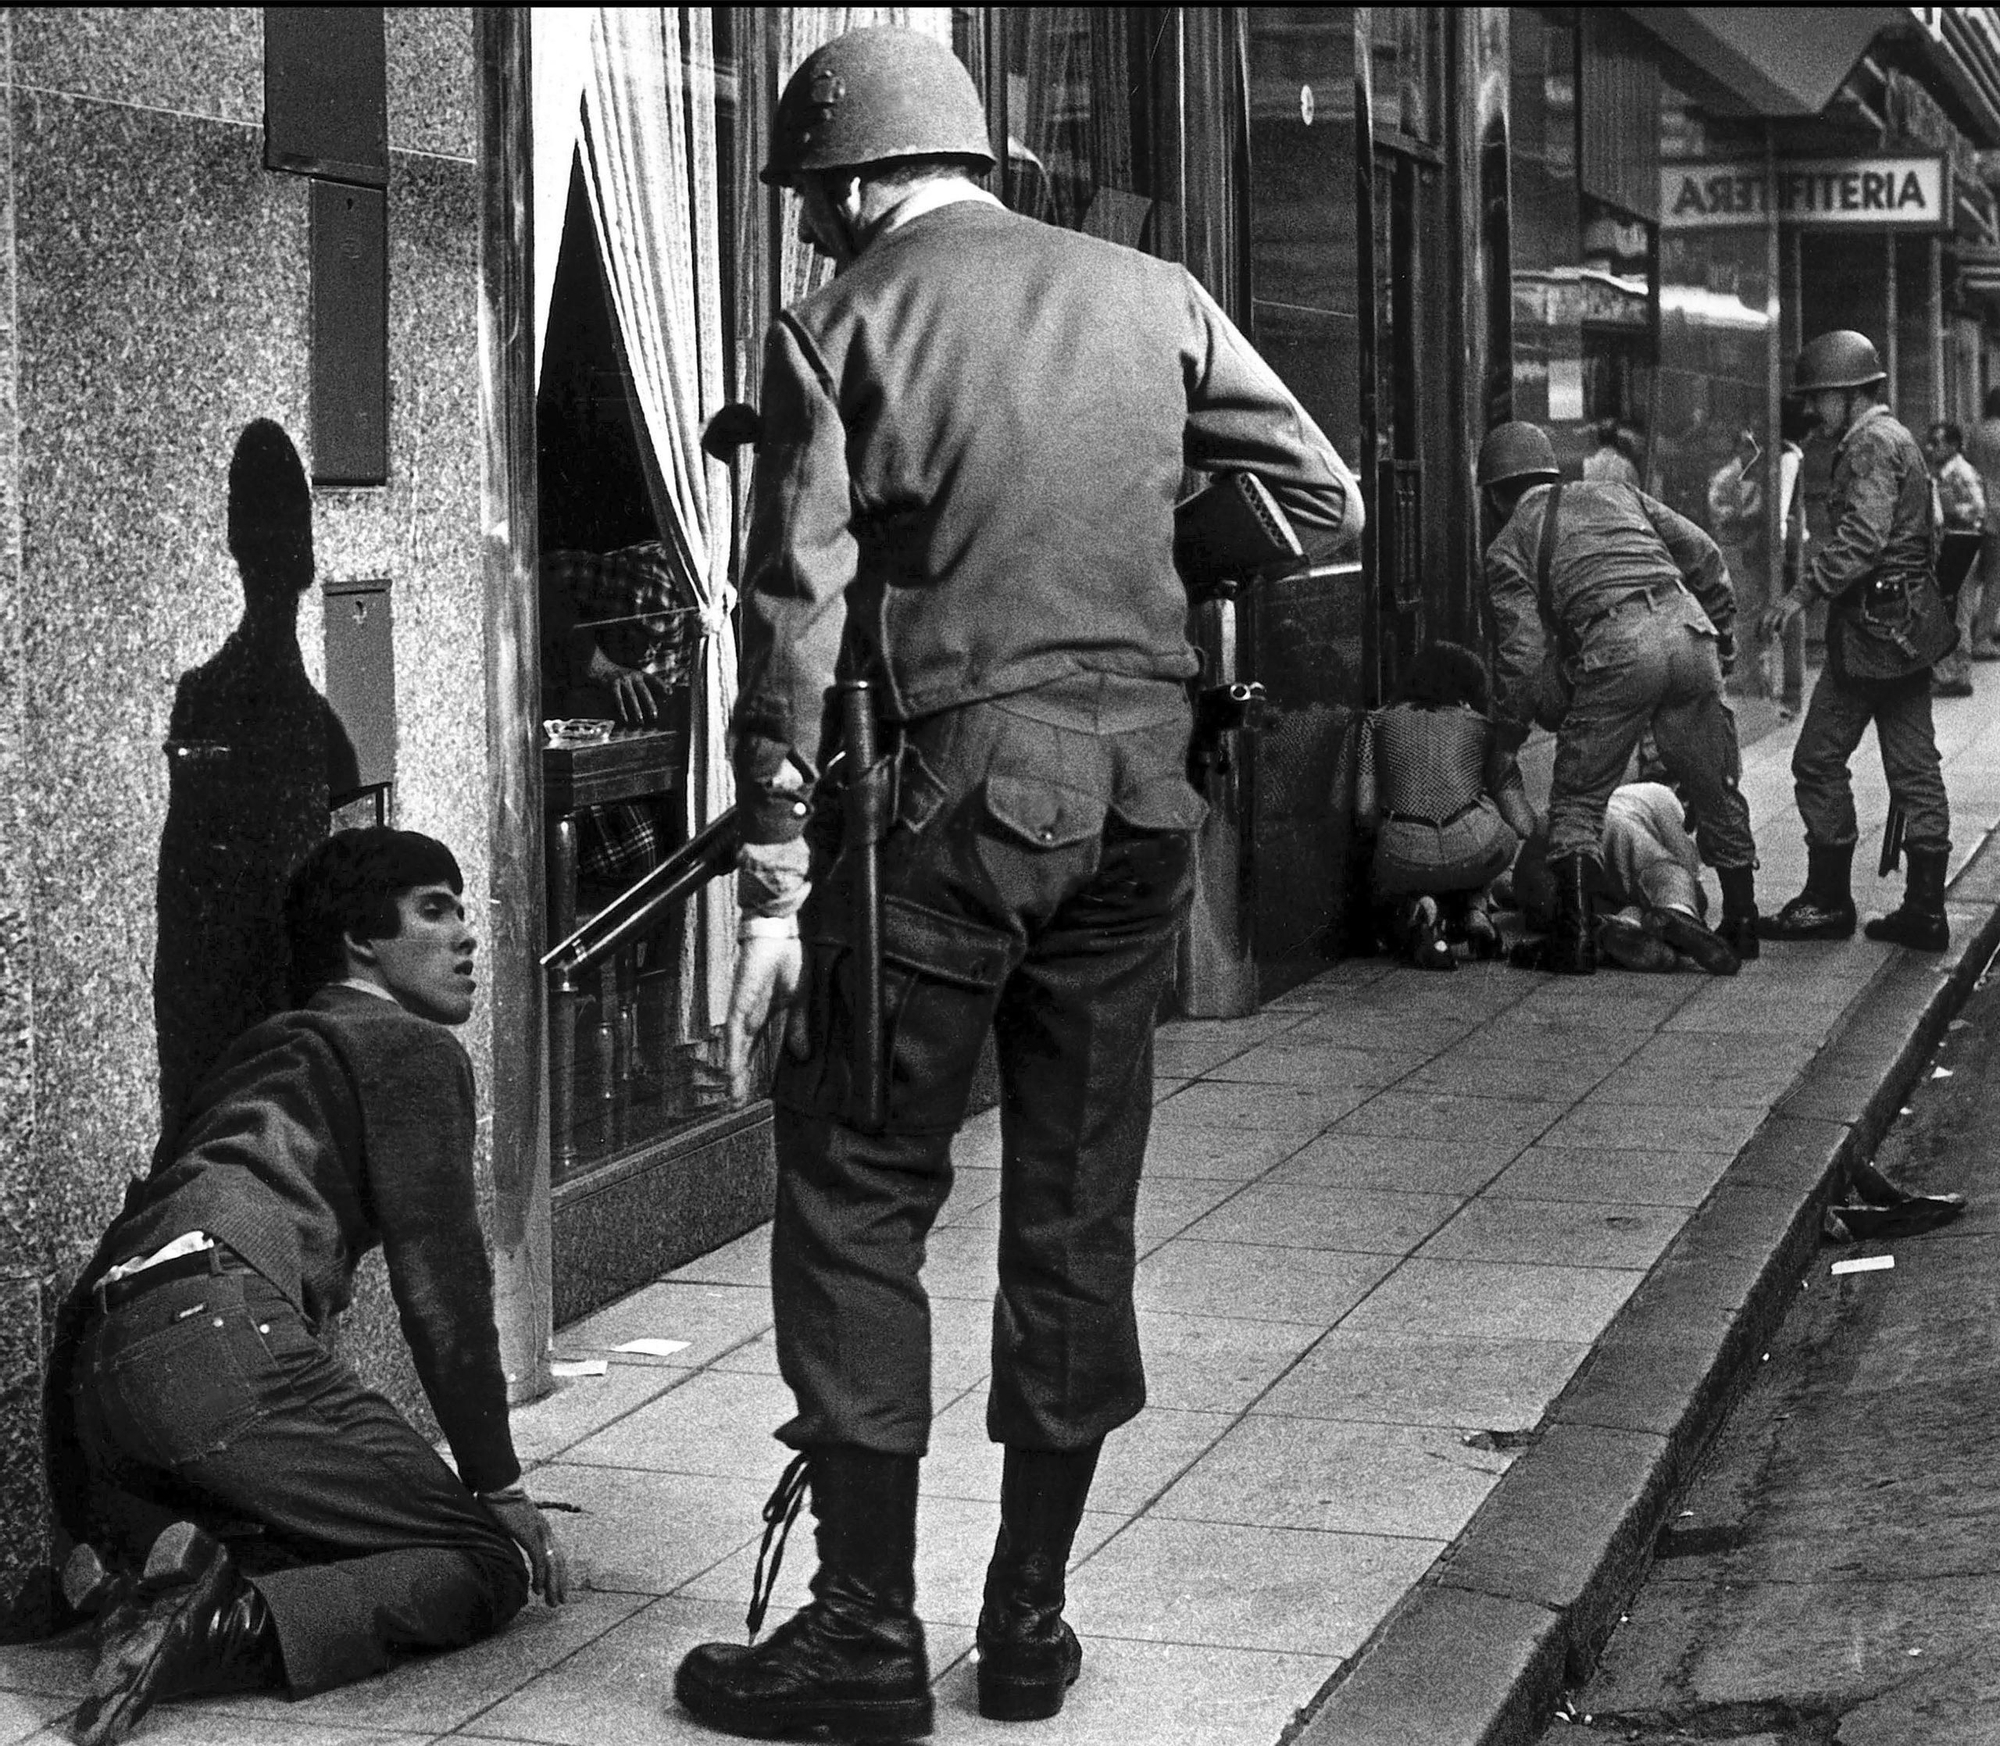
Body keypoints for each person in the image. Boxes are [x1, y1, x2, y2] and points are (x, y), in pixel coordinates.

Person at [672, 25, 1359, 1741]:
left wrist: (769, 891)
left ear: (846, 180)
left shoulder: (839, 327)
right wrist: (1133, 543)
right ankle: (1032, 1624)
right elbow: (1315, 491)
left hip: (949, 804)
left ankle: (862, 1634)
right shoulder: (1155, 290)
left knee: (853, 1183)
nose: (815, 233)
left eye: (814, 202)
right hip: (1139, 803)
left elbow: (791, 621)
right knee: (1073, 1199)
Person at [53, 829, 568, 1746]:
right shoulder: (406, 1047)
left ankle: (136, 1572)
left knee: (319, 1528)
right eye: (435, 909)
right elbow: (442, 1289)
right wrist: (499, 1486)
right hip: (218, 1341)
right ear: (361, 941)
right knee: (478, 1560)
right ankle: (208, 1628)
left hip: (105, 1371)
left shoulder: (270, 1047)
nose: (466, 937)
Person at [1477, 419, 1760, 977]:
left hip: (1618, 647)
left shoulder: (1508, 545)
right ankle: (1743, 923)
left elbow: (1522, 655)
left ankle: (1575, 940)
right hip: (1688, 629)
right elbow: (1703, 554)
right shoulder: (1617, 491)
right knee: (1716, 786)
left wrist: (1506, 736)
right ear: (1549, 471)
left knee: (1578, 801)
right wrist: (1722, 633)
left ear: (1493, 494)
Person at [1758, 331, 1955, 951]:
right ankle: (1924, 909)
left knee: (1816, 760)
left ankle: (1826, 900)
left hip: (1870, 635)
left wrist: (1798, 594)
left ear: (1847, 394)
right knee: (1916, 770)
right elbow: (1934, 531)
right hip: (1906, 628)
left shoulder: (1869, 443)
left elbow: (1864, 539)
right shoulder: (1900, 440)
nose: (1812, 411)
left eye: (1818, 398)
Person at [1355, 640, 1537, 969]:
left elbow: (1364, 809)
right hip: (1479, 850)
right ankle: (1475, 911)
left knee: (1398, 868)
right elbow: (1522, 824)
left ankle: (1422, 906)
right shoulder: (1484, 728)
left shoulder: (1375, 722)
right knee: (1491, 835)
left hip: (1403, 855)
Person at [1509, 781, 1741, 976]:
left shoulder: (1622, 791)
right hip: (1608, 823)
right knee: (1664, 871)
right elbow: (1686, 866)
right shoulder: (1663, 795)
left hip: (1549, 842)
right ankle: (1678, 912)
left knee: (1574, 905)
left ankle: (1613, 927)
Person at [1924, 420, 1987, 699]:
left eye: (1937, 443)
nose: (1931, 448)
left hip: (1962, 544)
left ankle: (1957, 673)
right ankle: (1950, 671)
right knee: (1949, 608)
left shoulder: (1961, 472)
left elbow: (1978, 508)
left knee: (1959, 610)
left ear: (1953, 445)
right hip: (1950, 544)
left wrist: (1954, 508)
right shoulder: (1941, 472)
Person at [1964, 385, 2000, 659]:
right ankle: (1983, 636)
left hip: (1977, 507)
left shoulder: (1976, 431)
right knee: (1995, 575)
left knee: (1974, 574)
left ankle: (1969, 628)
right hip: (1998, 508)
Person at [1582, 419, 1641, 488]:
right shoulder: (1626, 466)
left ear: (1598, 440)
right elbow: (1636, 488)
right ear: (1617, 441)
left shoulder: (1588, 464)